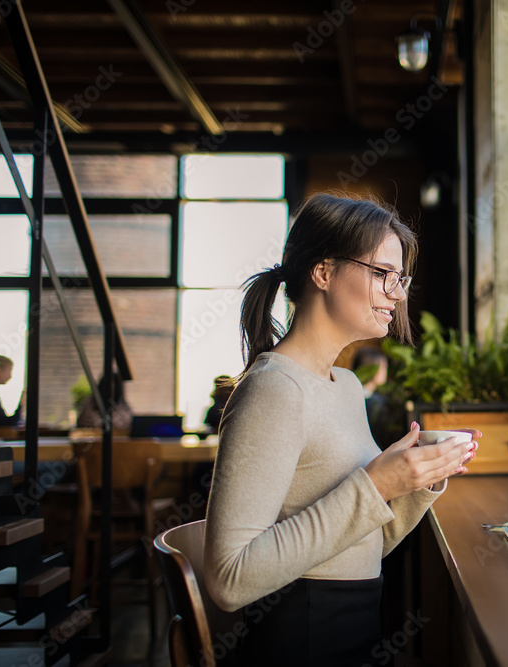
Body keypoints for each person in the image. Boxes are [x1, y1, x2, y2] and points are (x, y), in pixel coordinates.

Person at [204, 193, 480, 666]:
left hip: (354, 625)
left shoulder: (346, 386)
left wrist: (419, 479)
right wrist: (376, 484)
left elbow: (365, 542)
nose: (397, 293)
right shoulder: (275, 390)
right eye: (381, 274)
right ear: (324, 272)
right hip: (302, 639)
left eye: (400, 278)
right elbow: (229, 579)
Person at [352, 346, 397, 448]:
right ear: (372, 368)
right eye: (384, 366)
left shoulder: (352, 394)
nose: (386, 371)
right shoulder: (375, 401)